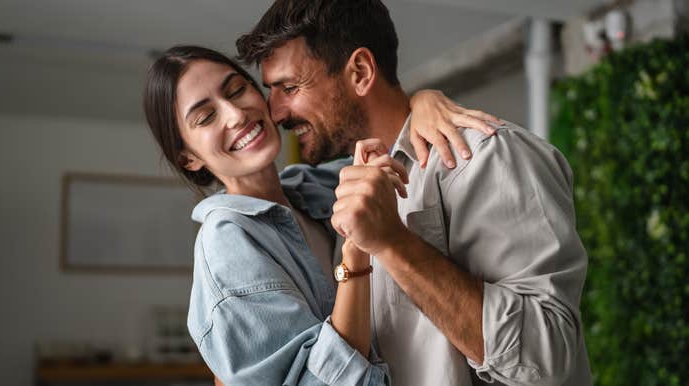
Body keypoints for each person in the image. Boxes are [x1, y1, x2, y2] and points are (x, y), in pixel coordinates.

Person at [236, 0, 593, 385]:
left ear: (360, 72)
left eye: (290, 87)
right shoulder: (342, 188)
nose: (275, 113)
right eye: (272, 91)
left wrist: (394, 243)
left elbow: (545, 361)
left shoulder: (486, 156)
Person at [143, 46, 497, 385]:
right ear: (188, 158)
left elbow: (394, 141)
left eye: (236, 90)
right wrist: (356, 250)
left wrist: (421, 102)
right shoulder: (227, 244)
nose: (236, 115)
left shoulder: (313, 187)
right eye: (206, 117)